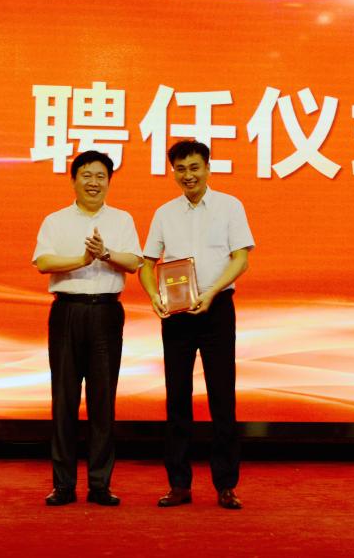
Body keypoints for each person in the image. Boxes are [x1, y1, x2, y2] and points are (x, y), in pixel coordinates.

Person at [139, 140, 255, 510]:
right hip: (176, 314)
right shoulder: (164, 213)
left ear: (207, 167)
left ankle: (226, 485)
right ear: (173, 171)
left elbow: (241, 259)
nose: (188, 175)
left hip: (217, 309)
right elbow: (147, 264)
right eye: (181, 169)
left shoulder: (230, 206)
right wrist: (154, 295)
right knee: (177, 398)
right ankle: (179, 485)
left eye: (194, 167)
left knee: (222, 397)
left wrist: (211, 292)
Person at [32, 150, 142, 507]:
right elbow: (43, 262)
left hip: (106, 313)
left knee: (102, 401)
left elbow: (134, 262)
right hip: (67, 311)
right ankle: (63, 485)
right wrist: (82, 260)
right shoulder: (55, 220)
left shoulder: (122, 219)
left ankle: (100, 484)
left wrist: (105, 254)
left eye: (100, 176)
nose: (93, 182)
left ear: (109, 181)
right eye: (86, 175)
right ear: (73, 180)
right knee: (64, 399)